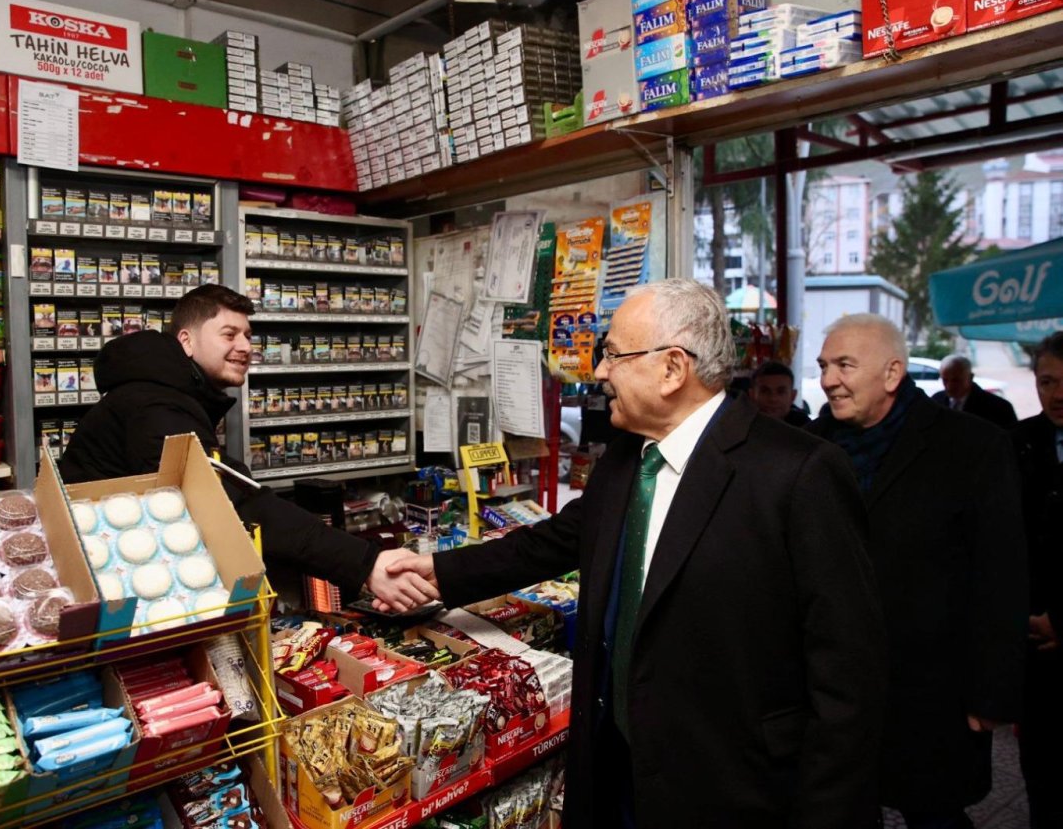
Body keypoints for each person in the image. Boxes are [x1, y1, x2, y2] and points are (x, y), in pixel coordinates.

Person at [383, 280, 886, 827]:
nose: (600, 371)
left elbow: (848, 678)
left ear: (672, 368)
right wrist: (437, 571)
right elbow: (554, 542)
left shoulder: (798, 472)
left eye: (614, 354)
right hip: (617, 771)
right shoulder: (628, 458)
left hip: (733, 790)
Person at [59, 284, 435, 612]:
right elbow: (229, 504)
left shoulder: (166, 393)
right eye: (229, 334)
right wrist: (364, 563)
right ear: (186, 341)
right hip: (103, 587)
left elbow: (224, 487)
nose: (245, 347)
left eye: (248, 336)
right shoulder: (156, 405)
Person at [808, 314, 1028, 829]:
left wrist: (993, 692)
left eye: (844, 365)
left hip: (932, 688)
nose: (828, 380)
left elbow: (1000, 576)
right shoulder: (809, 447)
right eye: (823, 366)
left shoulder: (972, 446)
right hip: (833, 687)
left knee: (933, 812)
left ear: (892, 373)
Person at [1013, 331, 1063, 828]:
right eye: (1047, 382)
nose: (1058, 394)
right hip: (1033, 647)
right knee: (1042, 777)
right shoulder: (1019, 442)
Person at [932, 353, 1018, 429]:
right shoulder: (935, 401)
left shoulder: (1000, 408)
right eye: (945, 380)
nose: (950, 386)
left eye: (956, 380)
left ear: (971, 377)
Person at [748, 360, 811, 426]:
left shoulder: (806, 427)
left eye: (781, 392)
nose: (773, 399)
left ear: (793, 396)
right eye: (765, 391)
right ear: (752, 395)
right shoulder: (741, 425)